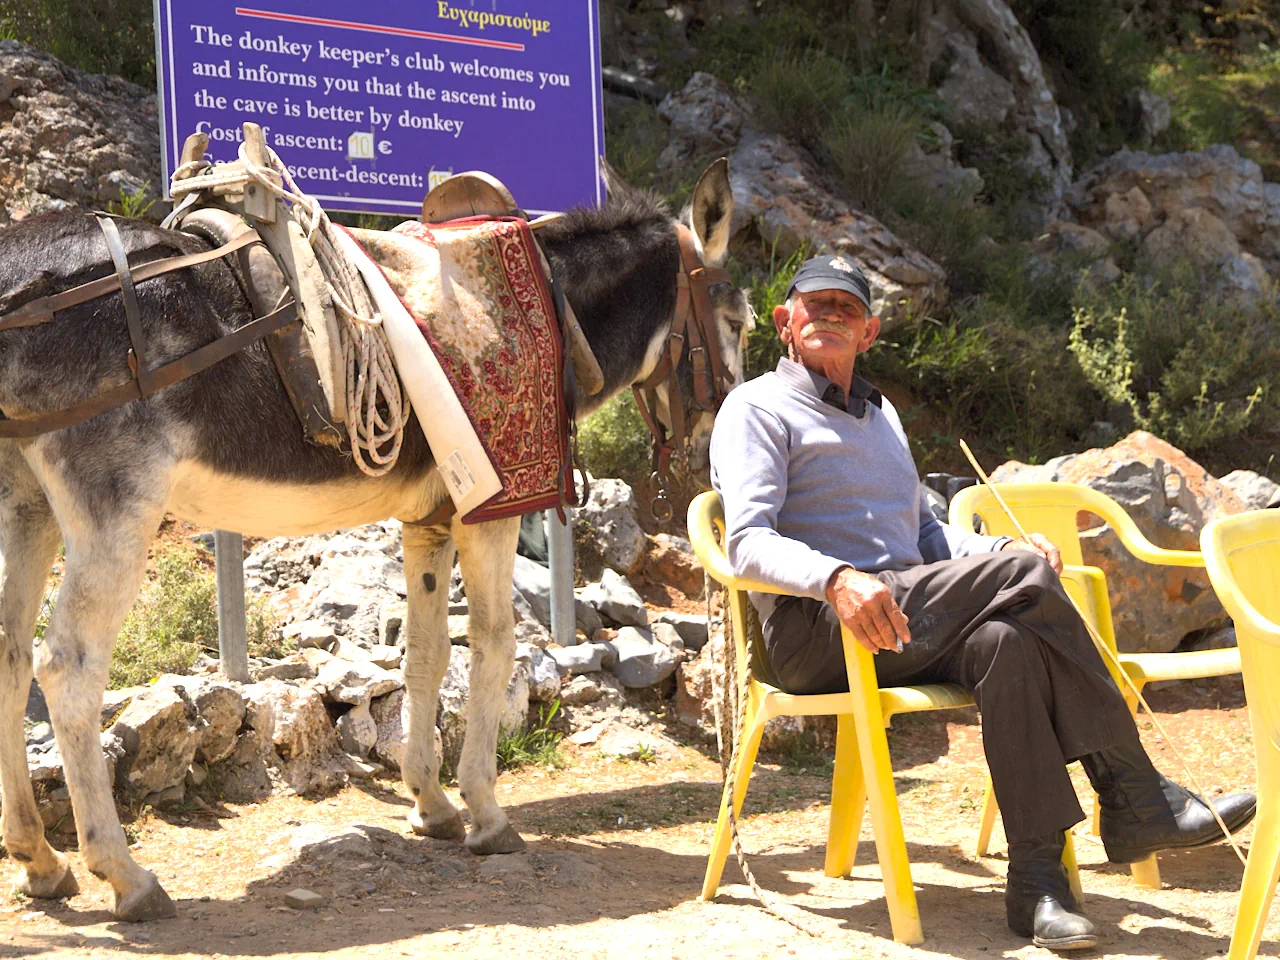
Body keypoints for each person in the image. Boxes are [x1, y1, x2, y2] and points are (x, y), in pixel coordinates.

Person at [709, 254, 1257, 951]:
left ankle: (1038, 884)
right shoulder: (755, 407)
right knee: (1024, 579)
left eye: (845, 307)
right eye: (813, 304)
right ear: (785, 322)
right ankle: (1134, 796)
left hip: (906, 622)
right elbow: (746, 545)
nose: (828, 314)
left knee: (1008, 643)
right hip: (816, 630)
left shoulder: (881, 417)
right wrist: (838, 577)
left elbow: (930, 537)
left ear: (869, 332)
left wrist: (1001, 551)